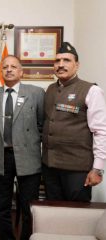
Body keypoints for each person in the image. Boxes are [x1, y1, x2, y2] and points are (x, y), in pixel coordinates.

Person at [0, 55, 44, 240]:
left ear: (21, 71)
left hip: (28, 157)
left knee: (28, 206)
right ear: (1, 72)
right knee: (2, 206)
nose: (8, 69)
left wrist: (26, 140)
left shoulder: (36, 93)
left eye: (13, 67)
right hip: (2, 157)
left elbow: (42, 124)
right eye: (5, 67)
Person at [42, 42, 106, 202]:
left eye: (66, 60)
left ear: (77, 65)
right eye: (57, 61)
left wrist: (97, 169)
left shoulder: (91, 90)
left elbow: (101, 131)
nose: (61, 65)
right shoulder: (50, 89)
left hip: (77, 169)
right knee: (54, 214)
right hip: (50, 167)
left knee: (77, 218)